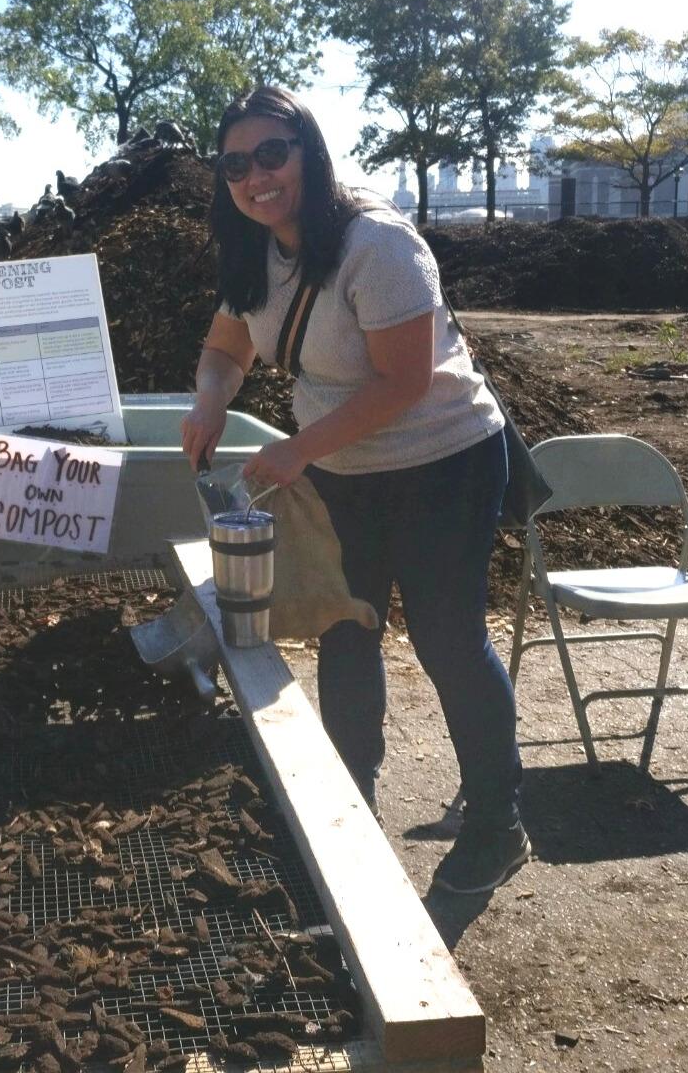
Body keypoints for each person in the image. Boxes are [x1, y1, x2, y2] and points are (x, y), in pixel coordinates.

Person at [181, 86, 529, 895]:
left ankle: (497, 823)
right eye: (237, 164)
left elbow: (404, 383)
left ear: (308, 149)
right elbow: (227, 347)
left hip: (443, 463)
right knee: (345, 631)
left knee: (448, 641)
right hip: (344, 472)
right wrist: (208, 400)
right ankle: (353, 809)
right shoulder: (253, 248)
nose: (256, 176)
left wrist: (297, 450)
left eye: (273, 153)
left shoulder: (376, 245)